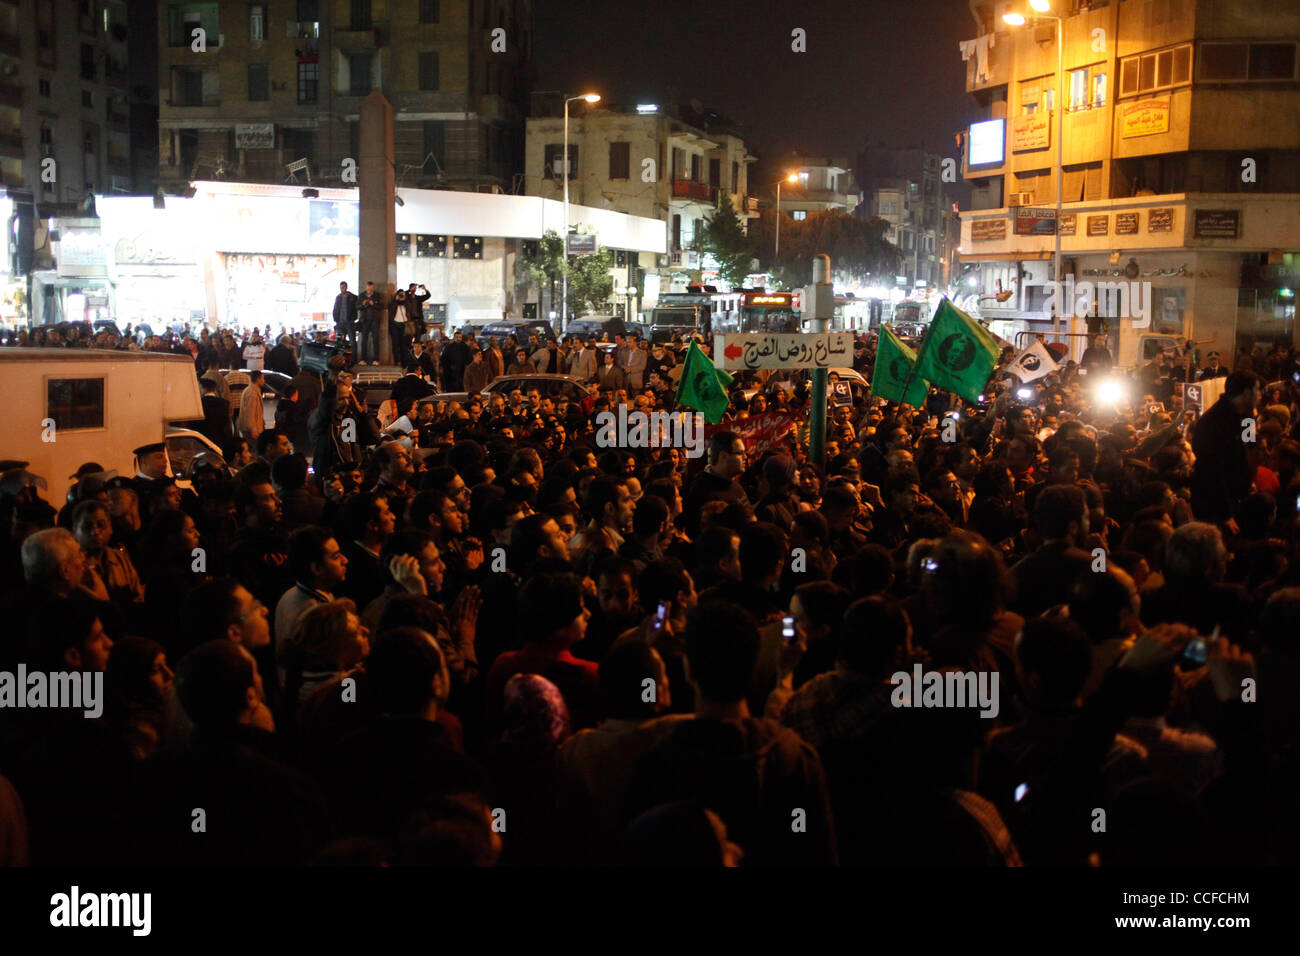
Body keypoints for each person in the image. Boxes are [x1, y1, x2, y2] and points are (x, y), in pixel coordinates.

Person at [1190, 370, 1260, 528]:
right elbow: (1212, 471)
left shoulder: (1247, 416)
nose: (1260, 395)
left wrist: (1249, 480)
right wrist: (1226, 514)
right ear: (1247, 393)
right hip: (1214, 507)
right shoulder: (1212, 423)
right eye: (1257, 390)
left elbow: (1249, 446)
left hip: (1239, 497)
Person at [358, 281, 384, 365]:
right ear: (366, 288)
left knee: (376, 339)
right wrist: (363, 304)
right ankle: (363, 359)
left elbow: (381, 306)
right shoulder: (361, 295)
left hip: (375, 320)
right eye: (368, 289)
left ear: (373, 288)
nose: (370, 290)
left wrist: (373, 304)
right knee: (364, 340)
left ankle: (376, 359)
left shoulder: (377, 295)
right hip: (364, 320)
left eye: (371, 289)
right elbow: (357, 306)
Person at [238, 370, 266, 442]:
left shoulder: (253, 391)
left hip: (252, 428)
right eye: (262, 378)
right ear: (258, 379)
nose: (264, 381)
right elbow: (249, 413)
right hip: (251, 431)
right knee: (254, 451)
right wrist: (253, 429)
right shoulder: (252, 393)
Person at [333, 281, 359, 353]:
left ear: (346, 287)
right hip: (340, 322)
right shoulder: (338, 298)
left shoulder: (352, 297)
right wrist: (336, 319)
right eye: (341, 288)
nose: (342, 289)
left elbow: (356, 308)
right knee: (340, 341)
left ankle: (354, 358)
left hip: (349, 322)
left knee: (352, 341)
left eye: (343, 287)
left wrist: (353, 318)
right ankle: (341, 358)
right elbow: (335, 309)